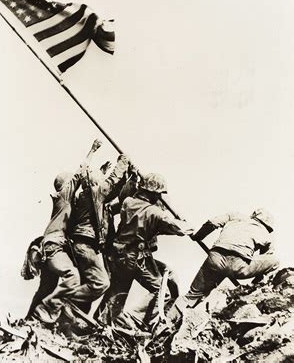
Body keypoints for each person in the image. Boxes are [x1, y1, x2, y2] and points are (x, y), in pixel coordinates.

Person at [98, 173, 194, 330]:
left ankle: (103, 323)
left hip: (118, 254)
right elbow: (182, 229)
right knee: (163, 292)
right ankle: (133, 320)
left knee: (118, 291)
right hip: (136, 257)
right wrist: (184, 223)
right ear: (154, 193)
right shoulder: (155, 213)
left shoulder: (128, 203)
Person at [26, 139, 102, 324]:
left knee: (47, 287)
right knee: (72, 276)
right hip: (54, 245)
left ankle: (30, 320)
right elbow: (80, 172)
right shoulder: (63, 197)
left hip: (52, 245)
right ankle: (46, 312)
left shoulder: (65, 202)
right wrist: (92, 150)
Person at [63, 153, 131, 313]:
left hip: (86, 246)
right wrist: (122, 164)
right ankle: (64, 301)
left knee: (90, 283)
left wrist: (129, 177)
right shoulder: (91, 194)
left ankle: (75, 319)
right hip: (84, 246)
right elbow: (110, 184)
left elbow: (115, 192)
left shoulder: (95, 200)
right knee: (101, 282)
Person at [177, 208, 280, 310]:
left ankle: (168, 320)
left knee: (191, 296)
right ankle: (254, 288)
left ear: (253, 215)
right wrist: (255, 284)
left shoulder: (235, 215)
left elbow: (212, 222)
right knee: (275, 262)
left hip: (215, 259)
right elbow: (266, 257)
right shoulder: (267, 235)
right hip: (238, 266)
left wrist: (197, 237)